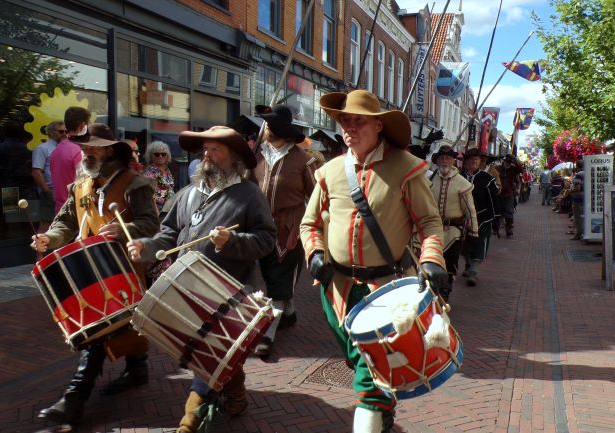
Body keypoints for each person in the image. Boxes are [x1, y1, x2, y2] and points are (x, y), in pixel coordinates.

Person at [300, 89, 447, 433]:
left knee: (369, 372)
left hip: (387, 291)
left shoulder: (407, 168)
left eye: (358, 121)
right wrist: (315, 253)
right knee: (357, 358)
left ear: (378, 126)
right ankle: (383, 404)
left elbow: (429, 222)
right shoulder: (329, 171)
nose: (349, 128)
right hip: (336, 289)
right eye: (344, 121)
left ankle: (374, 410)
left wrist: (432, 258)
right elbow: (309, 223)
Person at [127, 126, 276, 433]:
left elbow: (266, 240)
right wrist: (146, 247)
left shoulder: (250, 195)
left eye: (216, 150)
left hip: (228, 291)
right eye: (205, 150)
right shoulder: (187, 192)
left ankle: (189, 421)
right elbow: (168, 234)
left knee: (206, 355)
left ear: (233, 158)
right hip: (186, 288)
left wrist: (231, 242)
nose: (207, 156)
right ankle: (236, 399)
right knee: (216, 352)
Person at [31, 131, 160, 427]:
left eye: (95, 148)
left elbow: (151, 223)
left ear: (112, 152)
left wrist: (123, 228)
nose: (87, 152)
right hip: (90, 270)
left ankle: (75, 398)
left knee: (106, 329)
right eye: (86, 147)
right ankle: (136, 369)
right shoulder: (81, 185)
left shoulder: (135, 184)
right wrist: (48, 238)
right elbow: (65, 222)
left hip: (123, 268)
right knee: (100, 328)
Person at [250, 104, 314, 357]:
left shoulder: (303, 159)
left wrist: (309, 228)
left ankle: (267, 335)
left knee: (278, 279)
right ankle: (288, 313)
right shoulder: (254, 155)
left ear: (278, 130)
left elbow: (317, 197)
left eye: (268, 124)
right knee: (267, 275)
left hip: (288, 230)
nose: (264, 127)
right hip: (257, 227)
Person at [428, 145, 477, 299]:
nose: (444, 161)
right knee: (431, 262)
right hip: (432, 230)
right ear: (436, 161)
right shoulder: (429, 180)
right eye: (441, 158)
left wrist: (474, 231)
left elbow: (470, 209)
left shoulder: (461, 182)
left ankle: (445, 292)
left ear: (453, 161)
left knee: (450, 264)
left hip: (453, 231)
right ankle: (431, 290)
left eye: (448, 158)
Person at [461, 148, 499, 286]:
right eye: (471, 159)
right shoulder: (458, 177)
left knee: (479, 244)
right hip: (461, 217)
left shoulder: (488, 179)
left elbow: (494, 200)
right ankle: (468, 264)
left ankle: (473, 272)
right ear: (465, 161)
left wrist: (495, 218)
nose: (474, 161)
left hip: (482, 217)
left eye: (476, 159)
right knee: (462, 245)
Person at [50, 107, 89, 213]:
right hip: (76, 212)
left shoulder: (56, 150)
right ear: (82, 126)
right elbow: (85, 185)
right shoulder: (79, 150)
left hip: (61, 210)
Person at [31, 121, 66, 232]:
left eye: (66, 131)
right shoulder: (42, 148)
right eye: (61, 131)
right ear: (50, 133)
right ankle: (39, 248)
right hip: (51, 190)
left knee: (63, 224)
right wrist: (47, 191)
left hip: (65, 190)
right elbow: (36, 172)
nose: (64, 134)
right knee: (47, 223)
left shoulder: (65, 148)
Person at [493, 155, 522, 238]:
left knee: (509, 212)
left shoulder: (513, 169)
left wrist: (515, 161)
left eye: (510, 162)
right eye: (507, 161)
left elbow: (521, 169)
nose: (508, 163)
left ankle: (509, 230)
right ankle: (495, 228)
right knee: (497, 212)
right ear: (504, 161)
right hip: (498, 193)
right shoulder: (497, 168)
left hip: (509, 194)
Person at [142, 140, 175, 212]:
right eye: (157, 154)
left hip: (170, 207)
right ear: (151, 156)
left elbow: (170, 188)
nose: (160, 156)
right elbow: (149, 195)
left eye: (163, 154)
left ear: (167, 156)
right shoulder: (149, 172)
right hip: (158, 208)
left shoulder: (167, 170)